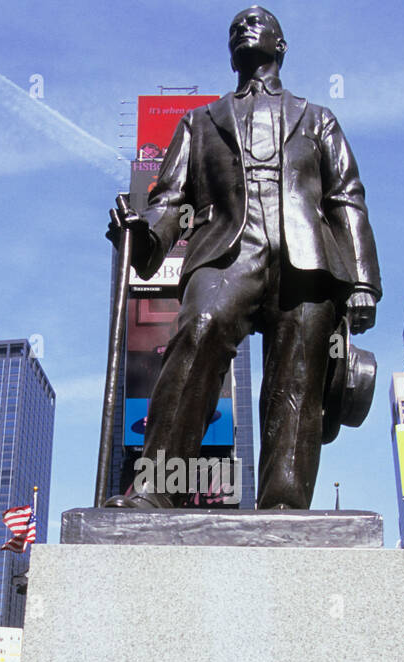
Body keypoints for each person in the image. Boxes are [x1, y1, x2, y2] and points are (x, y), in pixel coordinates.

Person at [104, 6, 380, 511]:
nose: (243, 29)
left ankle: (285, 503)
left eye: (256, 22)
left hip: (307, 260)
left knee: (297, 375)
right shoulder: (200, 121)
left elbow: (346, 198)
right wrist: (146, 240)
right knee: (199, 330)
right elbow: (171, 200)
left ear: (281, 45)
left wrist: (363, 281)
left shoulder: (318, 119)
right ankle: (158, 486)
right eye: (235, 27)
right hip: (229, 250)